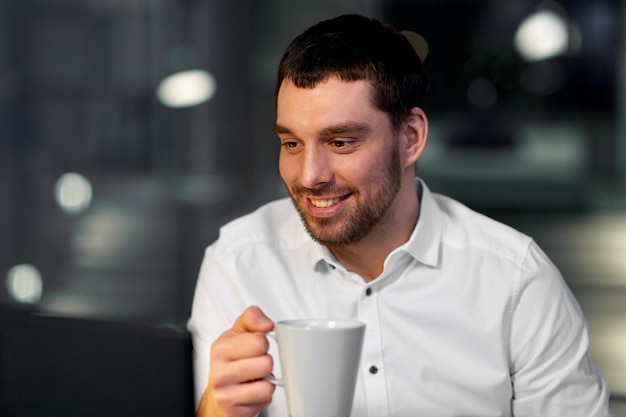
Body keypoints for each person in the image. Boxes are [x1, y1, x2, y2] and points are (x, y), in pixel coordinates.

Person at [187, 13, 614, 417]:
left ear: (410, 138)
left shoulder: (515, 280)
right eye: (292, 144)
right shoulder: (238, 264)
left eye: (340, 143)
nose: (309, 176)